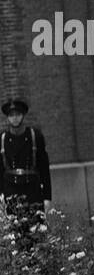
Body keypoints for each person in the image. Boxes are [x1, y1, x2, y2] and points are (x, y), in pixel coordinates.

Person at [1, 98, 50, 238]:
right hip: (11, 192)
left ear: (23, 115)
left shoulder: (35, 136)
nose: (14, 118)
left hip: (32, 190)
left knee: (37, 234)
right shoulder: (2, 139)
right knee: (16, 235)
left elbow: (44, 167)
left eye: (17, 115)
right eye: (11, 115)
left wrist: (47, 197)